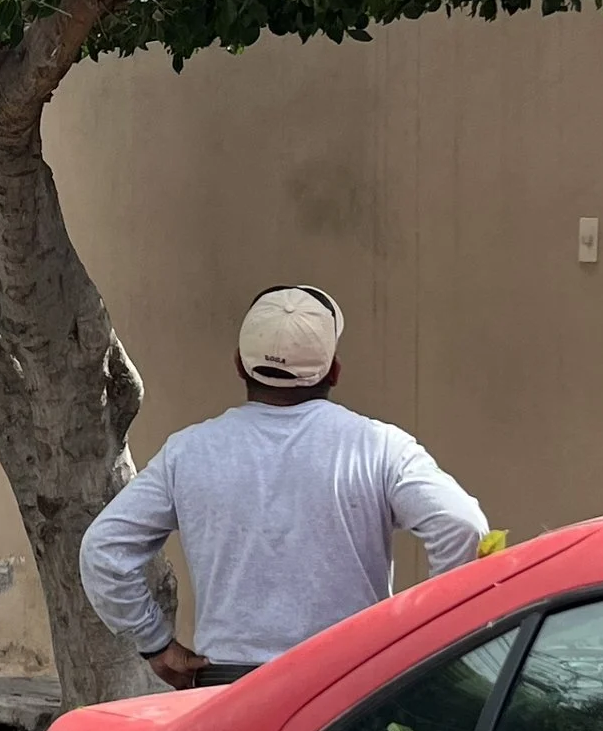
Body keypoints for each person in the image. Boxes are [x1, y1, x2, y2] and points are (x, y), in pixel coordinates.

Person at [80, 285, 490, 690]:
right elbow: (461, 525)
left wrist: (155, 644)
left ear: (239, 364)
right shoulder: (379, 447)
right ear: (334, 371)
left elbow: (104, 549)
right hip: (345, 691)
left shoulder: (188, 453)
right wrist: (432, 638)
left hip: (228, 693)